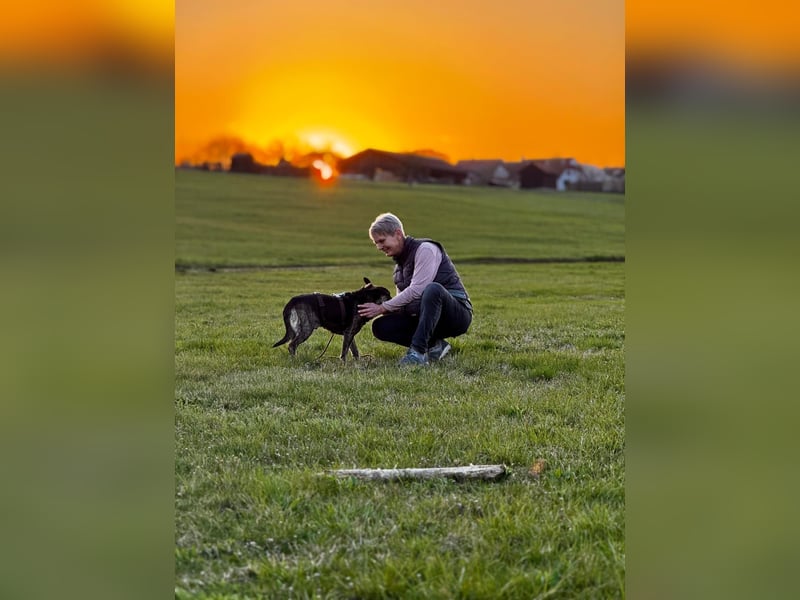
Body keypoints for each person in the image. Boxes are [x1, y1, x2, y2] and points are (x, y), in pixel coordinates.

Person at [357, 212, 473, 366]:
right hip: (426, 318)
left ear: (398, 234)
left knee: (433, 290)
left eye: (382, 240)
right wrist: (375, 310)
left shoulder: (426, 249)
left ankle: (417, 354)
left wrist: (382, 307)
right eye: (376, 243)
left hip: (456, 314)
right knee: (381, 326)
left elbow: (418, 289)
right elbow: (403, 304)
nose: (379, 247)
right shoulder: (399, 268)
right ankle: (435, 346)